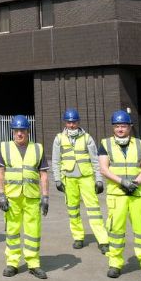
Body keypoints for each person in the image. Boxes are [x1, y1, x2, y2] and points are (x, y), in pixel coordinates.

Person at [98, 110, 141, 281]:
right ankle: (115, 264)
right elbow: (104, 169)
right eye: (117, 126)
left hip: (137, 194)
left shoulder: (140, 145)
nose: (120, 129)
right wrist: (122, 182)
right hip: (117, 194)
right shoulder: (105, 144)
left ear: (130, 127)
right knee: (115, 231)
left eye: (123, 126)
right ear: (113, 127)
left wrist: (134, 183)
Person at [0, 115, 50, 279]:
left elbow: (44, 175)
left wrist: (45, 197)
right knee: (12, 230)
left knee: (33, 232)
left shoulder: (38, 148)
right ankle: (12, 263)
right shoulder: (5, 148)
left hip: (32, 197)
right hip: (12, 197)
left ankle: (33, 264)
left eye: (23, 130)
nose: (19, 134)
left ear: (28, 131)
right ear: (12, 131)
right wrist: (1, 195)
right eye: (16, 130)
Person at [51, 108, 108, 253]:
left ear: (78, 122)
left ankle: (103, 240)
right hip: (69, 179)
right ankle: (78, 237)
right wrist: (57, 179)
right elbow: (56, 161)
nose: (71, 125)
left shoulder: (87, 138)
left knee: (94, 209)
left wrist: (99, 179)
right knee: (72, 210)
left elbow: (95, 160)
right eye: (69, 122)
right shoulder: (59, 138)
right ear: (65, 122)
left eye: (74, 122)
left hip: (86, 178)